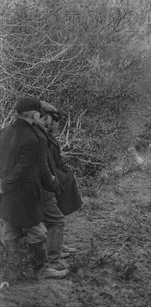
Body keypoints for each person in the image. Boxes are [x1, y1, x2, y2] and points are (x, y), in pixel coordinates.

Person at [0, 97, 68, 281]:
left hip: (6, 196)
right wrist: (55, 185)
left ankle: (14, 273)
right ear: (34, 114)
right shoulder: (35, 137)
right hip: (26, 194)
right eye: (40, 113)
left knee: (10, 232)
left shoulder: (4, 132)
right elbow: (38, 170)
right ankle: (42, 270)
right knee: (37, 232)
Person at [40, 102, 81, 270]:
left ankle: (58, 246)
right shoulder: (41, 137)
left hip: (50, 180)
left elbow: (56, 160)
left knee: (58, 214)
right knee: (55, 219)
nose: (57, 125)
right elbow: (46, 164)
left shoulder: (48, 136)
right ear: (47, 119)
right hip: (45, 183)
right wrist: (57, 180)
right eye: (55, 121)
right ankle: (53, 259)